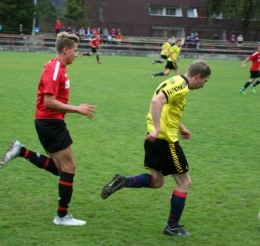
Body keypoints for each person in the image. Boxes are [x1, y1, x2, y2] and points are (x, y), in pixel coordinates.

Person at [101, 59, 211, 237]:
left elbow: (168, 108)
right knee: (184, 183)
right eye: (204, 82)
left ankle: (124, 181)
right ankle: (172, 227)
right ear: (198, 76)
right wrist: (159, 129)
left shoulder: (174, 81)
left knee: (157, 181)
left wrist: (181, 128)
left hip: (153, 139)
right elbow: (156, 102)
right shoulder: (181, 86)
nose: (203, 86)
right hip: (165, 141)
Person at [0, 32, 97, 226]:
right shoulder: (54, 69)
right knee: (69, 167)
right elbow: (49, 101)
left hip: (50, 122)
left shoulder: (59, 67)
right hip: (50, 122)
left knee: (61, 169)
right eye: (75, 51)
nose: (76, 55)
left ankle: (22, 151)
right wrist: (77, 109)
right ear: (66, 49)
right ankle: (62, 217)